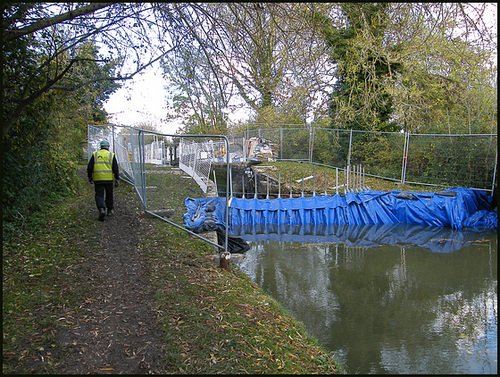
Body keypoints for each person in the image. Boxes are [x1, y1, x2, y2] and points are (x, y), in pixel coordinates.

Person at [87, 140, 120, 221]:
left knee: (99, 195)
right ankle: (109, 210)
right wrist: (117, 179)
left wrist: (90, 177)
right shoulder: (111, 155)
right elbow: (115, 168)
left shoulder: (95, 155)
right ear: (108, 147)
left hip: (98, 179)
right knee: (109, 194)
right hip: (108, 179)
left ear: (100, 147)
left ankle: (101, 209)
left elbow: (89, 168)